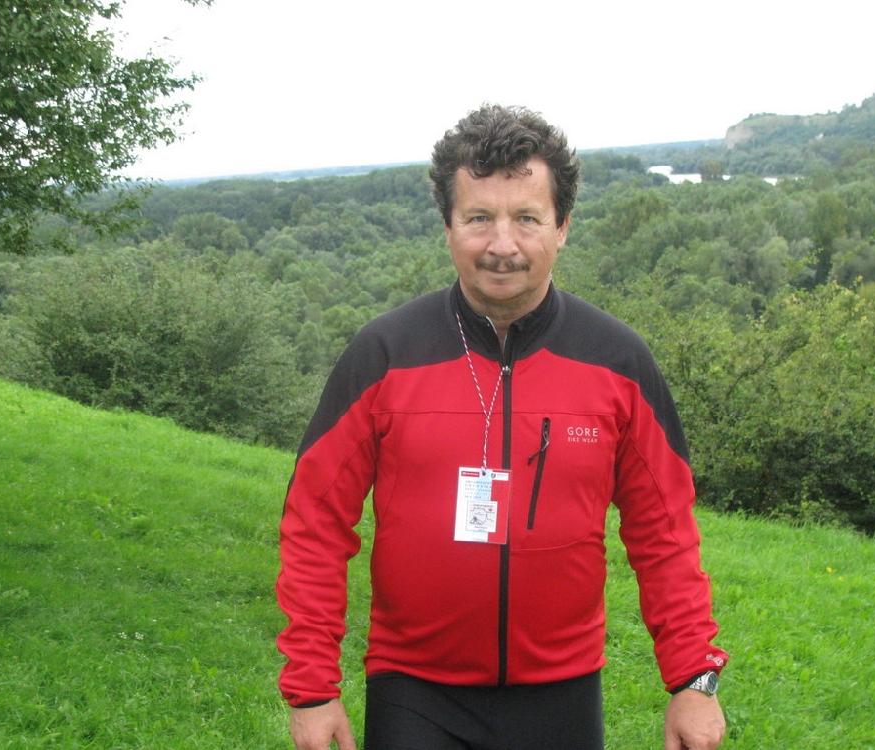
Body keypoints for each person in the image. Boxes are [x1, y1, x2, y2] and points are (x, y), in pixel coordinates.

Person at [277, 104, 728, 750]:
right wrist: (312, 687)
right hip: (414, 692)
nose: (502, 244)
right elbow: (315, 521)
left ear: (562, 226)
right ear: (448, 226)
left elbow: (665, 531)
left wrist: (692, 679)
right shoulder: (384, 355)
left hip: (562, 692)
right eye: (479, 218)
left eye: (527, 218)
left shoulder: (618, 362)